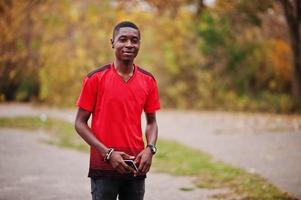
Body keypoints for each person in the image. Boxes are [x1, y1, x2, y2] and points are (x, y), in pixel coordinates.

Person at [75, 21, 160, 200]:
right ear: (112, 42)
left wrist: (150, 149)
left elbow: (151, 122)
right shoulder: (95, 78)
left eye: (134, 40)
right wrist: (108, 153)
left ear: (139, 45)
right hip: (104, 166)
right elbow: (80, 123)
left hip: (136, 165)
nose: (129, 44)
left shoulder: (148, 80)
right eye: (123, 39)